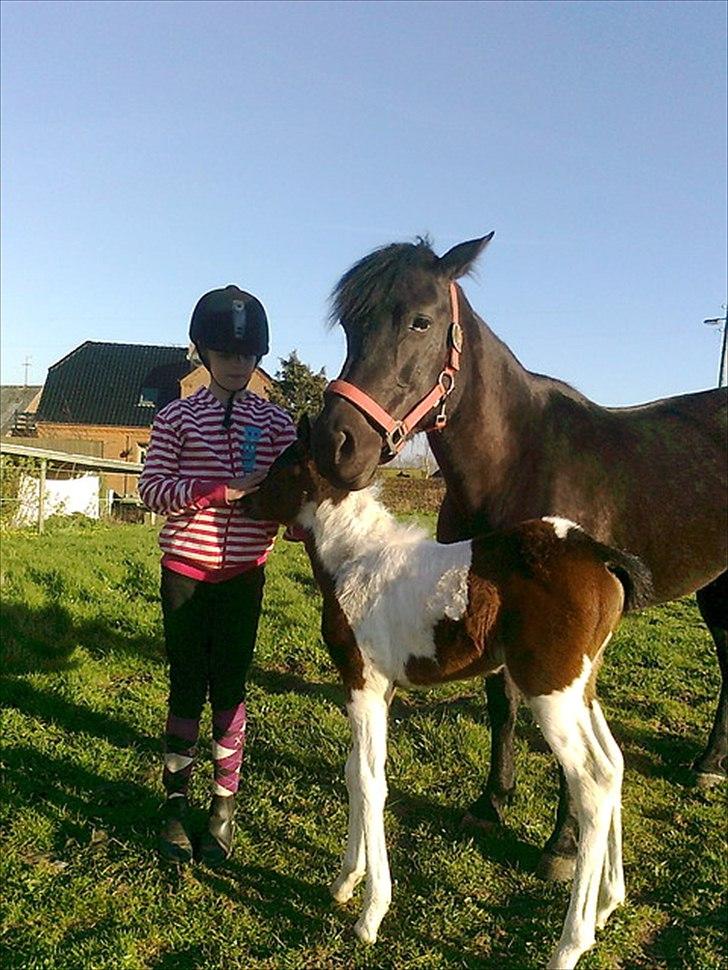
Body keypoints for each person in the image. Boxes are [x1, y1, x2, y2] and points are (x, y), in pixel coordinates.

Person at [138, 285, 296, 866]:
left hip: (244, 577)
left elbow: (292, 493)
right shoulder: (176, 417)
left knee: (230, 688)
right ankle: (174, 805)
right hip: (185, 571)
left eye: (247, 354)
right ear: (203, 354)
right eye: (226, 353)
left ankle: (223, 805)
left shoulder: (277, 424)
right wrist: (220, 492)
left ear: (259, 357)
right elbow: (151, 489)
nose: (237, 364)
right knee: (186, 684)